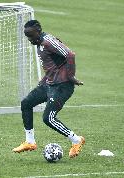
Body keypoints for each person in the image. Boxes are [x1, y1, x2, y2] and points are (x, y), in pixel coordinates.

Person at [12, 20, 85, 158]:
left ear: (38, 31)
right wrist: (44, 80)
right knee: (26, 103)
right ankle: (30, 141)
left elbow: (70, 55)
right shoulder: (39, 44)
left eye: (31, 36)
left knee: (48, 118)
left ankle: (77, 140)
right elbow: (54, 65)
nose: (30, 39)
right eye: (28, 37)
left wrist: (71, 77)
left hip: (62, 86)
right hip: (49, 84)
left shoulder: (48, 42)